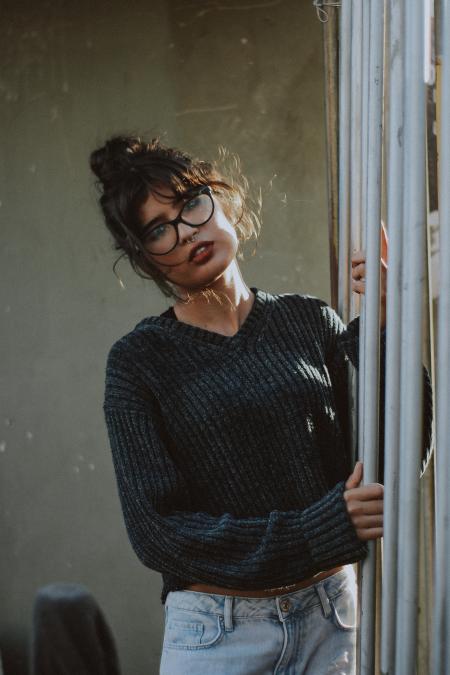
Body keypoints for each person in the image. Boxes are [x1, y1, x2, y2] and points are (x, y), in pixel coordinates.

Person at [90, 136, 432, 675]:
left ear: (223, 201)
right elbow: (158, 532)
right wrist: (316, 530)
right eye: (159, 230)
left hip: (332, 623)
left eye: (191, 205)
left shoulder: (309, 322)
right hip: (218, 634)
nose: (186, 232)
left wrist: (387, 327)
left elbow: (391, 465)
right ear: (144, 258)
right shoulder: (138, 362)